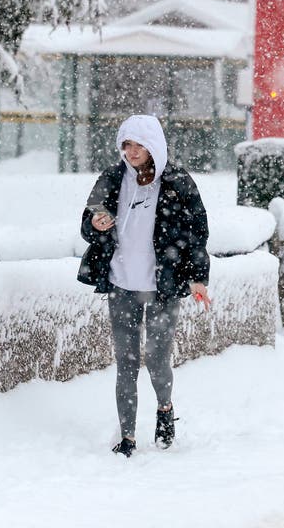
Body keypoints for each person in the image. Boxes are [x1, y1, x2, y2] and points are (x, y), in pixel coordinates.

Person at [77, 114, 211, 457]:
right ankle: (127, 438)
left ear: (154, 146)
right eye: (127, 144)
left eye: (139, 144)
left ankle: (165, 409)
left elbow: (197, 233)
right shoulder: (111, 178)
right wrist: (97, 222)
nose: (132, 151)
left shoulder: (177, 181)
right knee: (126, 360)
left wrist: (198, 277)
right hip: (121, 283)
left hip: (162, 285)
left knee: (156, 357)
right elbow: (88, 226)